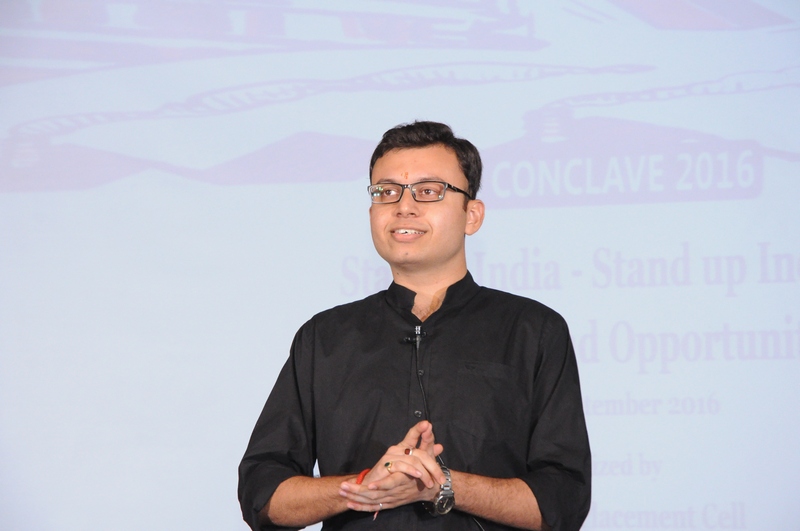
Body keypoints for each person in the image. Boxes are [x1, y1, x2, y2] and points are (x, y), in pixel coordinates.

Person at [238, 121, 591, 530]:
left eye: (428, 191)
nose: (403, 206)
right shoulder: (324, 338)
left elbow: (563, 501)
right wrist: (364, 486)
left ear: (472, 215)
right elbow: (262, 494)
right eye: (386, 192)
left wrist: (441, 484)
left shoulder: (534, 331)